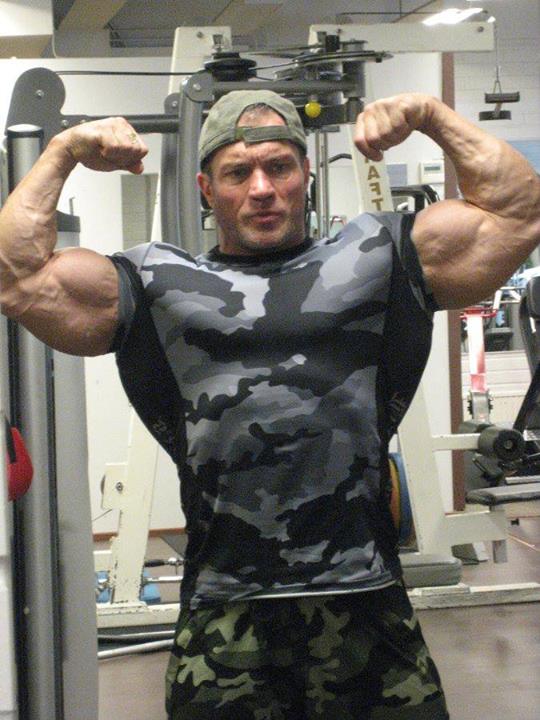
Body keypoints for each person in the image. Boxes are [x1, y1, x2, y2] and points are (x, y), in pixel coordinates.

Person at [1, 86, 540, 720]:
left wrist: (432, 116)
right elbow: (17, 275)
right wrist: (64, 149)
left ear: (306, 173)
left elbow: (519, 214)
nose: (262, 189)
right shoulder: (156, 282)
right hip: (225, 614)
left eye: (279, 167)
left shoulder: (377, 255)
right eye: (238, 173)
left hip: (366, 603)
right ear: (206, 189)